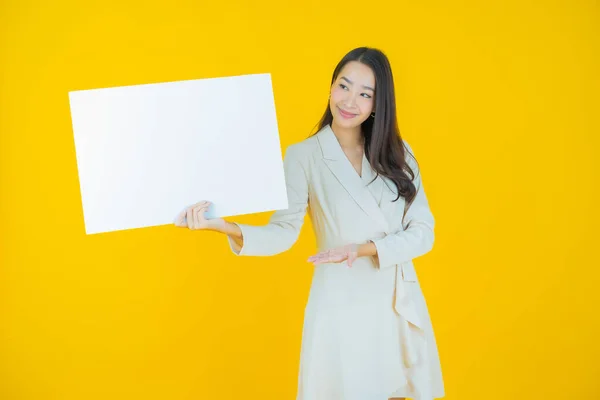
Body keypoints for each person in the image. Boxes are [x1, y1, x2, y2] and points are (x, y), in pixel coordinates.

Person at [174, 46, 445, 400]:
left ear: (378, 104)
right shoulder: (303, 156)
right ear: (331, 87)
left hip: (396, 300)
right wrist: (223, 226)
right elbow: (283, 232)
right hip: (340, 303)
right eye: (343, 86)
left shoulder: (399, 153)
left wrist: (364, 249)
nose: (350, 100)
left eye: (365, 94)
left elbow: (423, 233)